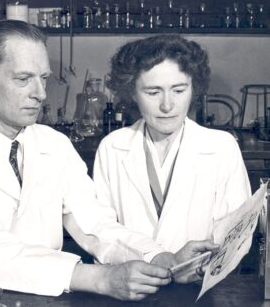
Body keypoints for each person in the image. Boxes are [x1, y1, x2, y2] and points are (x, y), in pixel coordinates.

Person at [0, 21, 214, 301]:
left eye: (43, 79)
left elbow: (95, 224)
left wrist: (159, 258)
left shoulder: (53, 145)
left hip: (44, 298)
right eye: (23, 79)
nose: (40, 93)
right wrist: (100, 279)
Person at [93, 34, 251, 270]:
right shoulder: (113, 147)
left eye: (178, 90)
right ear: (133, 93)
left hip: (199, 287)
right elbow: (100, 230)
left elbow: (237, 233)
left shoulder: (221, 147)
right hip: (130, 285)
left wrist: (196, 268)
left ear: (193, 89)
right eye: (153, 92)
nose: (167, 106)